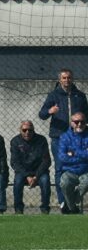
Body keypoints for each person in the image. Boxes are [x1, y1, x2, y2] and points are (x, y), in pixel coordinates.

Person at [38, 68, 88, 213]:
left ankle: (73, 200)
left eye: (69, 78)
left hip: (78, 137)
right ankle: (63, 202)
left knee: (81, 166)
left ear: (73, 79)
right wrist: (49, 111)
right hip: (59, 137)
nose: (67, 80)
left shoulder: (80, 96)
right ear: (60, 80)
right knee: (60, 168)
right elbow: (41, 114)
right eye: (64, 78)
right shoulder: (53, 95)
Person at [9, 120, 51, 214]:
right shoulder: (15, 141)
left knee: (45, 181)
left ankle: (45, 209)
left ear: (33, 130)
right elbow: (15, 163)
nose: (27, 132)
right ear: (20, 130)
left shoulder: (41, 140)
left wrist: (36, 176)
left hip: (39, 172)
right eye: (24, 130)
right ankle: (18, 209)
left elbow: (46, 161)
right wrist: (27, 176)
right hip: (23, 172)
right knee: (18, 181)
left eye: (30, 130)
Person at [58, 112, 88, 214]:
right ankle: (73, 208)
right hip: (70, 170)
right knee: (64, 182)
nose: (79, 124)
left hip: (86, 170)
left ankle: (69, 205)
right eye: (76, 122)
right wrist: (84, 155)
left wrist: (74, 153)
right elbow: (62, 157)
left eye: (82, 122)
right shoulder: (64, 137)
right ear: (71, 123)